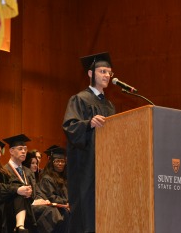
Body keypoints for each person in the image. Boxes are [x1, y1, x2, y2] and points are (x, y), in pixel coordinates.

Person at [62, 52, 116, 233]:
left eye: (109, 72)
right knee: (86, 211)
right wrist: (89, 123)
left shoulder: (109, 106)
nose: (107, 75)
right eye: (102, 71)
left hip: (107, 167)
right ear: (91, 74)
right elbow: (70, 127)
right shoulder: (79, 99)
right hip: (86, 167)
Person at [3, 134, 65, 233]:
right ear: (11, 151)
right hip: (13, 208)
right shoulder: (4, 171)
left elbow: (37, 191)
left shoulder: (28, 171)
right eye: (20, 149)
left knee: (51, 209)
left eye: (25, 149)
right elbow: (5, 192)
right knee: (50, 213)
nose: (23, 151)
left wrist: (43, 199)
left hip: (31, 207)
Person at [0, 138, 33, 233]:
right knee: (16, 192)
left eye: (0, 151)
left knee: (19, 192)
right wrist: (16, 189)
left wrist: (23, 189)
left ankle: (20, 227)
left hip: (1, 200)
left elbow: (13, 182)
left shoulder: (1, 170)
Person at [39, 146, 69, 232]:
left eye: (62, 161)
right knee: (66, 213)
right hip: (54, 209)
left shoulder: (65, 178)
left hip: (65, 206)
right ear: (52, 163)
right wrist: (66, 202)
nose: (60, 164)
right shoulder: (47, 178)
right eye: (57, 161)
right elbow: (50, 196)